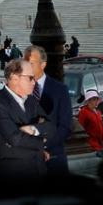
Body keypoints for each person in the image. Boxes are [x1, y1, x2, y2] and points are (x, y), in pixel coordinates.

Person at [0, 59, 54, 193]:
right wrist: (42, 140)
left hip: (38, 170)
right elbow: (15, 138)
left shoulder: (30, 100)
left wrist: (33, 129)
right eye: (30, 78)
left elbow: (51, 126)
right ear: (14, 78)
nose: (34, 82)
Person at [23, 45, 72, 174]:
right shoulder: (18, 89)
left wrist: (43, 146)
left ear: (43, 65)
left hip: (54, 159)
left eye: (31, 63)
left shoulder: (60, 90)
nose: (27, 67)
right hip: (26, 163)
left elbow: (65, 126)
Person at [78, 89, 103, 158]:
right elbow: (80, 130)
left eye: (97, 99)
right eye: (94, 99)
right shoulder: (83, 112)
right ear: (88, 101)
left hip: (99, 146)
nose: (96, 101)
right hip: (91, 148)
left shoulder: (98, 113)